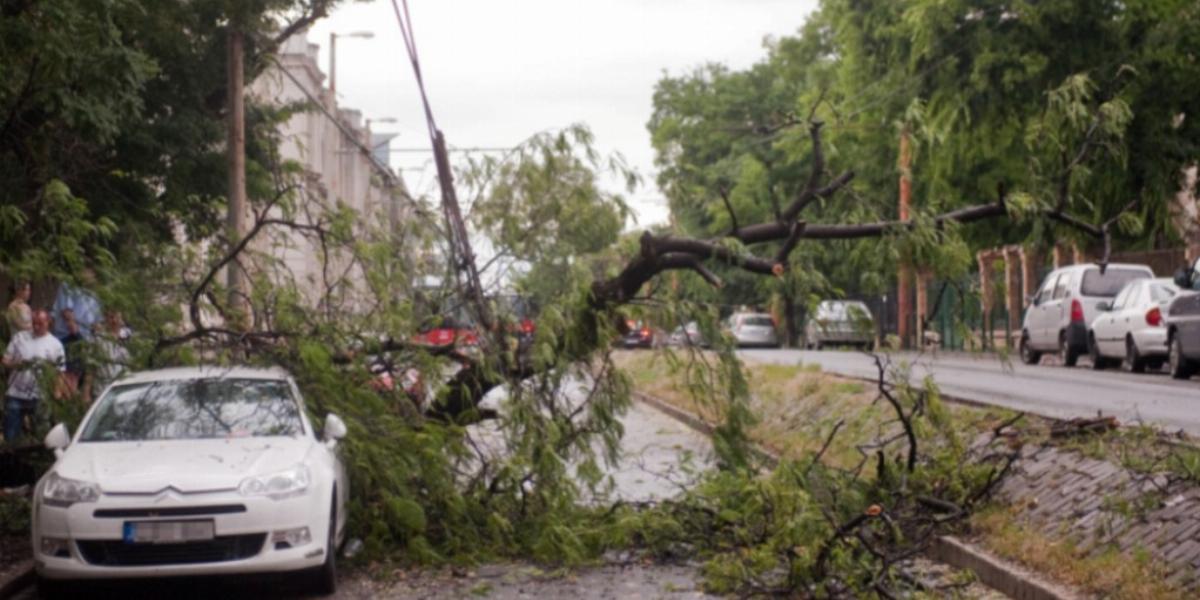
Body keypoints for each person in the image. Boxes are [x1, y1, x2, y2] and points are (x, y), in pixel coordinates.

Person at [2, 310, 66, 443]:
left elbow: (59, 371)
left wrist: (56, 393)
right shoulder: (20, 337)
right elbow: (5, 360)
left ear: (48, 322)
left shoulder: (55, 345)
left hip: (40, 396)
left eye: (40, 324)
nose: (36, 327)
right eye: (34, 323)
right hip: (15, 394)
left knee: (41, 434)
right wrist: (15, 364)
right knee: (11, 434)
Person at [51, 271, 100, 340]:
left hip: (87, 338)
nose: (92, 276)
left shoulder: (95, 295)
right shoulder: (68, 285)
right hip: (67, 336)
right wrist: (78, 336)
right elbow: (67, 313)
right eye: (90, 272)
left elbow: (97, 322)